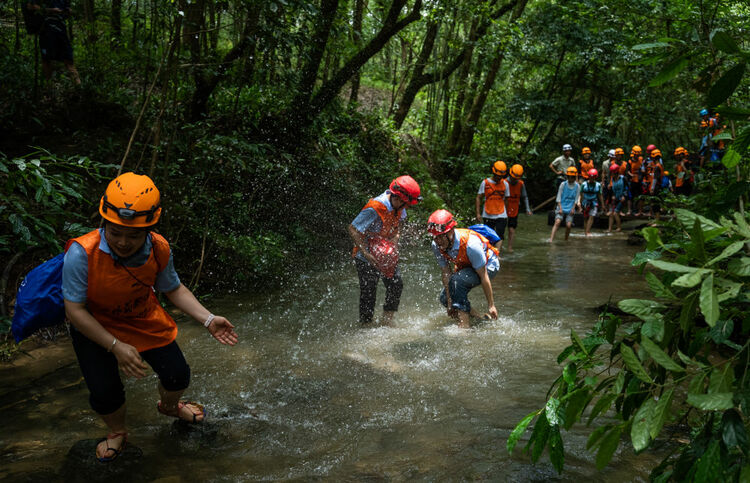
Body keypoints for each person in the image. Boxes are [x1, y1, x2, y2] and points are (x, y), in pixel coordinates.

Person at [62, 172, 238, 463]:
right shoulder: (82, 254)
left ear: (149, 228)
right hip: (93, 326)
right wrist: (116, 346)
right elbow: (75, 310)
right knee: (105, 390)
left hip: (142, 319)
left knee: (177, 374)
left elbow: (173, 288)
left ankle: (169, 406)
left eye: (133, 235)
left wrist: (208, 319)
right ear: (104, 221)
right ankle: (117, 431)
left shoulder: (158, 248)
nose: (122, 242)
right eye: (115, 231)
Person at [349, 175, 421, 326]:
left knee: (396, 284)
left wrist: (395, 239)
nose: (407, 208)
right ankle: (366, 325)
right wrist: (367, 254)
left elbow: (398, 226)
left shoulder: (399, 206)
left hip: (386, 254)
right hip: (365, 255)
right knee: (369, 292)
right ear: (399, 199)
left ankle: (387, 321)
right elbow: (353, 229)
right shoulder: (375, 207)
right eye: (406, 204)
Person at [427, 209, 500, 329]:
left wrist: (491, 305)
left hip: (488, 266)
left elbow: (484, 276)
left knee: (457, 281)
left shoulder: (471, 245)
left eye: (441, 237)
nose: (438, 241)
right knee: (445, 297)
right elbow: (446, 272)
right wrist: (450, 302)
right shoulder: (436, 245)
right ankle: (479, 319)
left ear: (450, 232)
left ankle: (464, 327)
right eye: (435, 237)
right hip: (467, 264)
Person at [26, 0, 81, 85]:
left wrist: (67, 12)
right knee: (47, 60)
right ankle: (48, 89)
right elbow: (30, 6)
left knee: (69, 60)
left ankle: (79, 89)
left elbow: (67, 10)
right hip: (46, 29)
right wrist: (50, 10)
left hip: (61, 29)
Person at [476, 160, 510, 250]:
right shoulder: (485, 183)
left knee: (500, 234)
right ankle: (488, 251)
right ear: (494, 172)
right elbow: (478, 197)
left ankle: (497, 253)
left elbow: (507, 199)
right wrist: (478, 213)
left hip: (501, 213)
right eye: (498, 175)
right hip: (488, 213)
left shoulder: (505, 184)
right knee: (488, 235)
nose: (499, 178)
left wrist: (506, 213)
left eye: (501, 176)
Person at [505, 164, 533, 253]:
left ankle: (509, 247)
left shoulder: (521, 184)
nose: (514, 180)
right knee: (500, 229)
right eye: (513, 178)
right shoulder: (504, 182)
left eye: (516, 178)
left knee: (511, 228)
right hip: (503, 209)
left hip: (514, 209)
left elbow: (525, 197)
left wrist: (527, 209)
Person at [549, 166, 580, 242]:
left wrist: (573, 209)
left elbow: (576, 199)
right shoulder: (563, 184)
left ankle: (566, 239)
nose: (571, 179)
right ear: (567, 176)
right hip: (561, 206)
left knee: (568, 225)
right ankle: (551, 239)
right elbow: (559, 196)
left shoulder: (577, 186)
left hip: (570, 207)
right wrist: (560, 208)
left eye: (572, 177)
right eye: (569, 177)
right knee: (557, 222)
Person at [580, 168, 604, 237]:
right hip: (585, 202)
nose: (592, 178)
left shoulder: (598, 185)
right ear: (589, 176)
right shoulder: (583, 184)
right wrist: (580, 204)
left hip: (594, 202)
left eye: (593, 177)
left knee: (592, 216)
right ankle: (586, 232)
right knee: (585, 217)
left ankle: (587, 232)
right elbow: (581, 195)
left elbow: (600, 195)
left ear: (595, 177)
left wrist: (603, 205)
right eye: (591, 177)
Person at [608, 164, 627, 232]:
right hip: (615, 198)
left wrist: (624, 196)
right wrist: (612, 196)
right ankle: (609, 229)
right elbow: (612, 190)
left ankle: (619, 228)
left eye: (613, 173)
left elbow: (627, 188)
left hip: (622, 198)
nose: (612, 174)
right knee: (611, 213)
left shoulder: (623, 178)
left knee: (616, 213)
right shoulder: (612, 179)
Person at [626, 145, 644, 216]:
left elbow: (644, 167)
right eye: (636, 154)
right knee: (630, 196)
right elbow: (627, 171)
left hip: (640, 180)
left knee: (640, 196)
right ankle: (629, 210)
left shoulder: (641, 159)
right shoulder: (630, 161)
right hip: (632, 181)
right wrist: (631, 175)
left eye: (638, 154)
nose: (637, 155)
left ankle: (640, 211)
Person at [648, 149, 665, 220]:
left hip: (656, 187)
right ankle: (655, 219)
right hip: (658, 186)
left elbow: (655, 178)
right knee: (655, 203)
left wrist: (652, 188)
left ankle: (657, 220)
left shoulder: (657, 167)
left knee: (656, 205)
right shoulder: (660, 165)